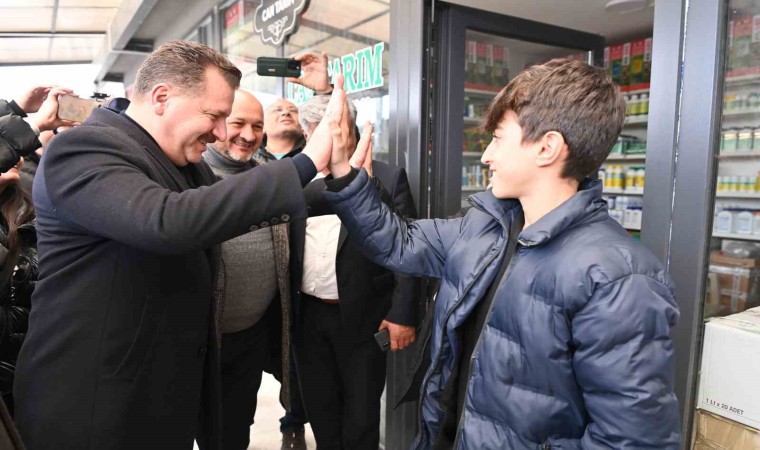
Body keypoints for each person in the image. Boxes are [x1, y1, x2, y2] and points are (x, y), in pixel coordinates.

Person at [322, 59, 681, 449]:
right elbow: (399, 242)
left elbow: (631, 439)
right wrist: (345, 174)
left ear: (547, 147)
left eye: (497, 138)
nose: (486, 156)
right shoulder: (485, 226)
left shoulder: (618, 278)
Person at [14, 40, 346, 450]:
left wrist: (347, 187)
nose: (221, 132)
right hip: (95, 404)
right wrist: (306, 162)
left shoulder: (178, 161)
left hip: (159, 394)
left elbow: (233, 202)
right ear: (161, 98)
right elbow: (170, 221)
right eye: (215, 115)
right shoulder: (83, 148)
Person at [290, 89, 420, 449]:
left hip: (364, 317)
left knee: (361, 421)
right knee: (321, 413)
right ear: (308, 134)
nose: (333, 138)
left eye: (339, 128)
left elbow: (407, 247)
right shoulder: (293, 179)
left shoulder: (387, 177)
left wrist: (403, 313)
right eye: (321, 131)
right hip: (307, 318)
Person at [200, 89, 298, 450]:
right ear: (215, 122)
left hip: (250, 337)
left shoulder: (268, 177)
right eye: (238, 123)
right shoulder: (189, 176)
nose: (248, 135)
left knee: (235, 429)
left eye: (257, 126)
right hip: (199, 341)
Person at [254, 99, 306, 164]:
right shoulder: (249, 157)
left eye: (293, 111)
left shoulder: (312, 154)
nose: (286, 113)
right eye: (278, 110)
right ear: (263, 125)